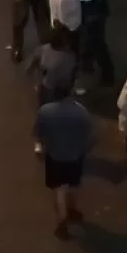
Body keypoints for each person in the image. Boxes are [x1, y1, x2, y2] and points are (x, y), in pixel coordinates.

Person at [34, 85, 93, 241]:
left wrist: (40, 148)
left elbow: (39, 133)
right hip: (75, 155)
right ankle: (72, 208)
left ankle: (62, 219)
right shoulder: (81, 112)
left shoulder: (45, 111)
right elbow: (90, 136)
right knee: (73, 185)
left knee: (59, 189)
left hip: (54, 156)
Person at [30, 24, 80, 103]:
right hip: (60, 84)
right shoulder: (68, 58)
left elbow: (35, 56)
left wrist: (31, 68)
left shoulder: (45, 48)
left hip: (48, 78)